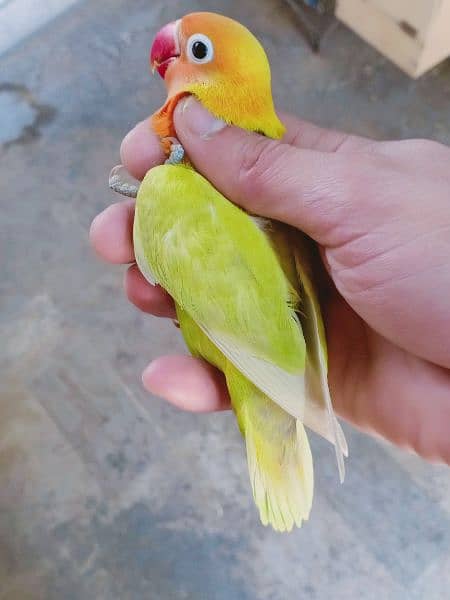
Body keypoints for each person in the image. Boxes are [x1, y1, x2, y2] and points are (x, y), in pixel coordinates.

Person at [90, 98, 450, 464]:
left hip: (274, 349)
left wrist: (162, 194)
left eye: (198, 52)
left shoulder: (178, 181)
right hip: (297, 346)